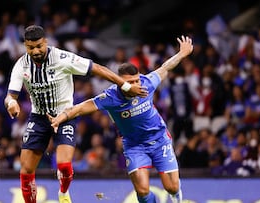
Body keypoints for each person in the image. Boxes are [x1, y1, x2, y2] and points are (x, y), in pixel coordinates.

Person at [4, 25, 147, 203]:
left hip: (66, 116)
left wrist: (125, 86)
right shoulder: (21, 64)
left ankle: (63, 193)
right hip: (39, 118)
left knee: (63, 165)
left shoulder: (62, 58)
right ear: (25, 46)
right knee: (25, 170)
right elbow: (11, 95)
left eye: (39, 46)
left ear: (46, 42)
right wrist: (11, 103)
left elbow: (97, 69)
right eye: (31, 47)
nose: (36, 51)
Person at [49, 36, 193, 203]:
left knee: (172, 187)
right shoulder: (110, 97)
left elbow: (164, 68)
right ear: (119, 83)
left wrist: (182, 54)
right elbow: (81, 108)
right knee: (143, 190)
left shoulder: (147, 83)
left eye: (137, 80)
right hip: (134, 146)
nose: (136, 85)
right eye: (130, 82)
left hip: (159, 139)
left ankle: (177, 198)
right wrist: (61, 117)